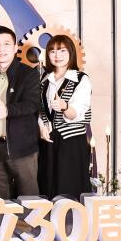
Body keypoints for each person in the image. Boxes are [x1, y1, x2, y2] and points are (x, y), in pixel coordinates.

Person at [0, 26, 40, 199]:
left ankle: (31, 219)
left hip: (21, 146)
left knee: (29, 197)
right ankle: (2, 219)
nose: (1, 49)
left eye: (6, 44)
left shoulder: (28, 74)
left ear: (15, 48)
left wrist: (8, 110)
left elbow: (32, 104)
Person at [38, 34, 92, 200]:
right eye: (53, 51)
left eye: (62, 51)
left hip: (71, 143)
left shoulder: (81, 79)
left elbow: (78, 112)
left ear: (71, 53)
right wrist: (41, 126)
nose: (57, 55)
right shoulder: (45, 79)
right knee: (48, 185)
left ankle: (71, 216)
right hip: (48, 142)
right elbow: (40, 109)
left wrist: (65, 106)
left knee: (69, 186)